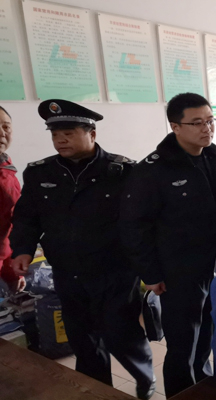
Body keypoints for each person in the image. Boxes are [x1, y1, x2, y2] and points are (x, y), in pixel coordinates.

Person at [9, 100, 155, 399]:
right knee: (83, 339)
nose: (60, 140)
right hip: (67, 273)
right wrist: (22, 249)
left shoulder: (122, 171)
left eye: (69, 133)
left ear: (92, 134)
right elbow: (26, 217)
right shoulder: (40, 173)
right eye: (55, 134)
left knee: (121, 333)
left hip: (114, 272)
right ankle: (98, 390)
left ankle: (145, 377)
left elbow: (143, 220)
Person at [120, 92, 216, 398]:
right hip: (177, 274)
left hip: (211, 269)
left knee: (206, 336)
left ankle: (203, 387)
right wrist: (150, 273)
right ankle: (181, 394)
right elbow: (135, 226)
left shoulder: (215, 159)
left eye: (211, 121)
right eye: (197, 123)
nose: (207, 129)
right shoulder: (153, 169)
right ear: (175, 126)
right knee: (182, 346)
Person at [0, 105, 25, 295]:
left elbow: (9, 223)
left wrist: (11, 269)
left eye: (6, 127)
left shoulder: (6, 168)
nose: (2, 133)